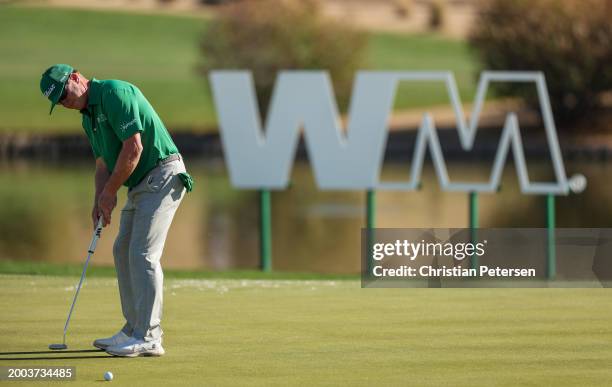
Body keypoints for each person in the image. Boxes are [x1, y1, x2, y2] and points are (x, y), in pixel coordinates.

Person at [39, 64, 193, 357]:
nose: (64, 103)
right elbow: (102, 164)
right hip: (140, 184)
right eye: (58, 102)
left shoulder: (114, 92)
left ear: (76, 77)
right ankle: (132, 329)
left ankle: (149, 336)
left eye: (64, 94)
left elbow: (133, 149)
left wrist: (110, 192)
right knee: (122, 250)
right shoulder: (88, 118)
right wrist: (99, 199)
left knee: (142, 253)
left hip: (163, 174)